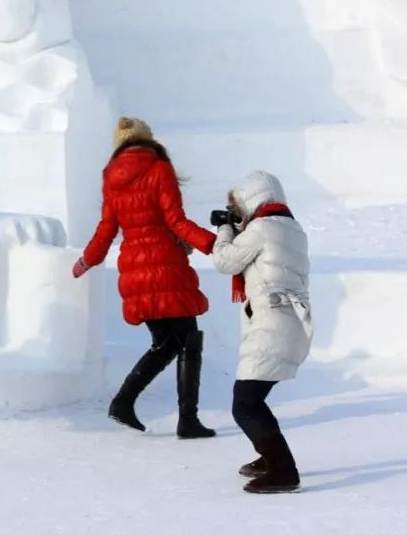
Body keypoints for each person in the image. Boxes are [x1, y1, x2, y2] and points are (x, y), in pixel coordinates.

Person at [72, 117, 217, 438]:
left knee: (170, 342)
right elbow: (177, 222)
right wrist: (213, 244)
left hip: (135, 270)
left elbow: (107, 228)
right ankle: (161, 412)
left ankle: (139, 407)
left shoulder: (111, 176)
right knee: (184, 340)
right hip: (165, 265)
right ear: (147, 140)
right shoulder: (158, 168)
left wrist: (87, 260)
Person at [212, 170, 311, 494]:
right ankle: (269, 456)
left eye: (239, 207)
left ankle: (283, 470)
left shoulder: (261, 228)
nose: (239, 214)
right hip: (287, 322)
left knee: (246, 404)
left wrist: (225, 228)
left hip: (272, 323)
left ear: (254, 201)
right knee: (253, 400)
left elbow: (226, 261)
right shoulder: (291, 227)